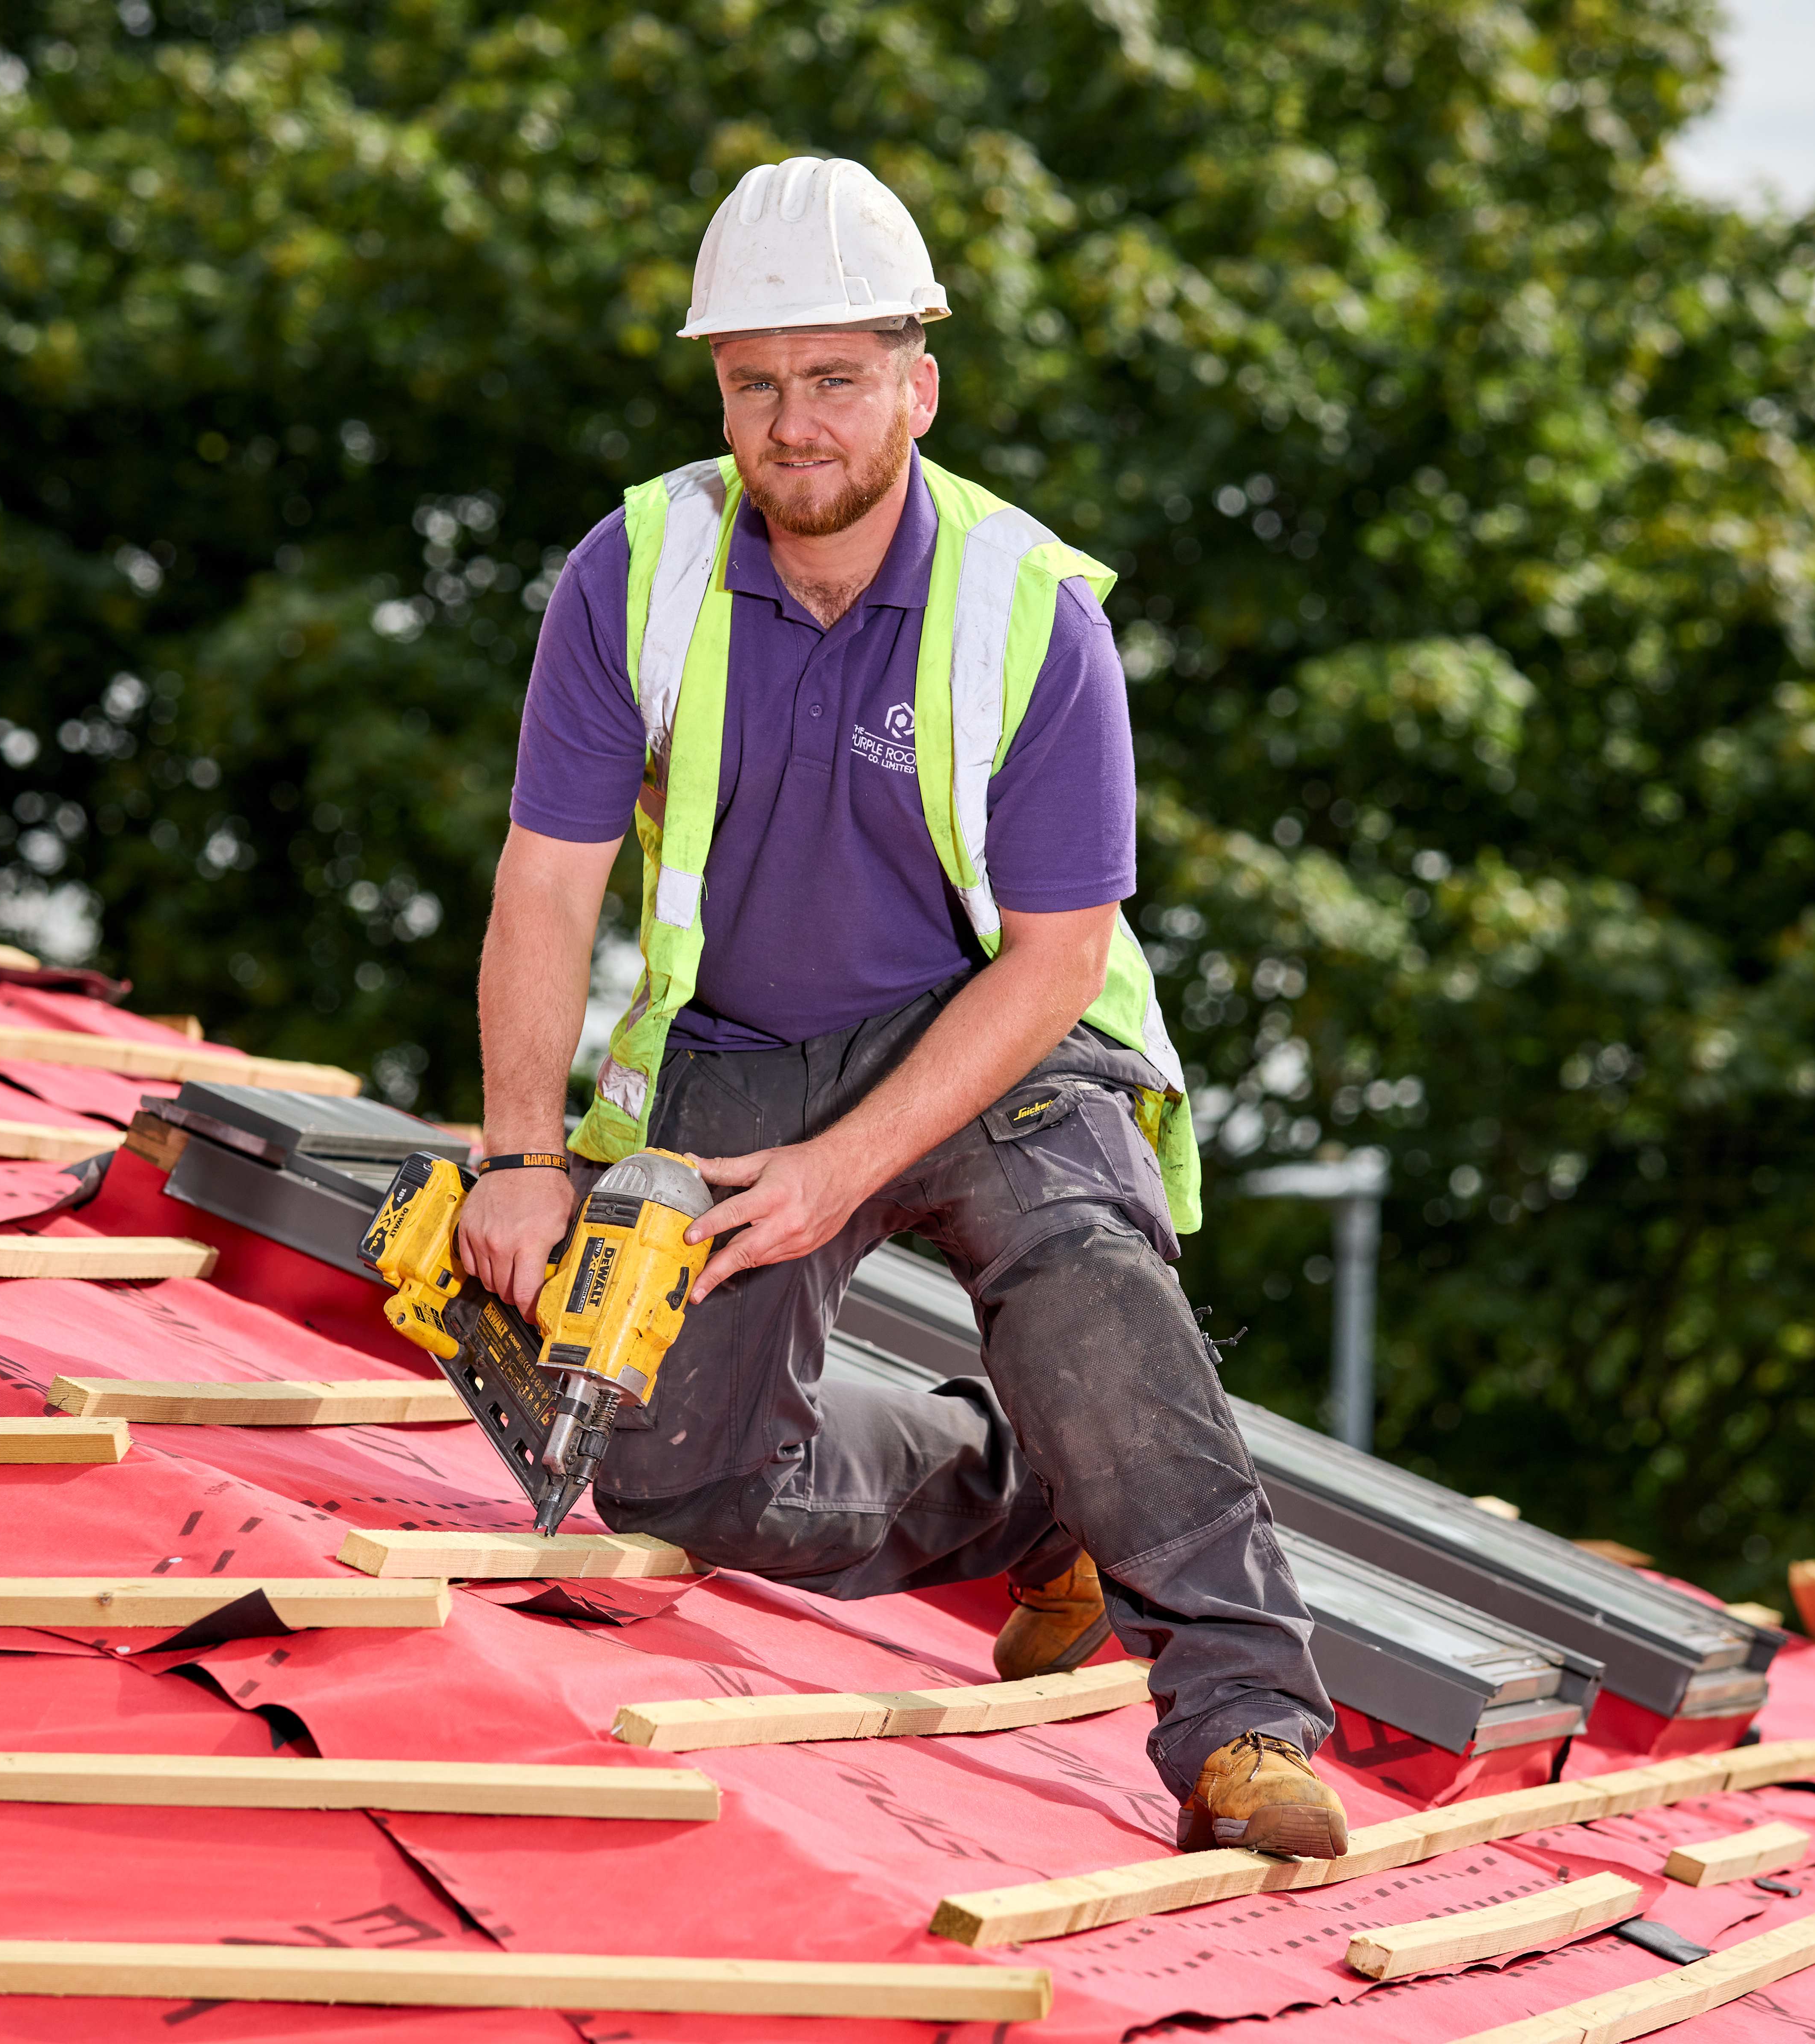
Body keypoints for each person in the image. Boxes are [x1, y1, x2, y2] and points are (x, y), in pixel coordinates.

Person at [456, 155, 1348, 1855]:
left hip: (994, 1031)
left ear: (918, 388)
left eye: (837, 378)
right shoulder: (631, 572)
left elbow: (1057, 958)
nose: (795, 424)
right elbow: (549, 879)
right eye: (755, 384)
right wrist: (517, 1155)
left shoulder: (1031, 615)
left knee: (1085, 1271)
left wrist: (839, 1169)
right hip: (738, 1049)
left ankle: (1243, 1722)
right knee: (675, 1480)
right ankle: (1033, 1491)